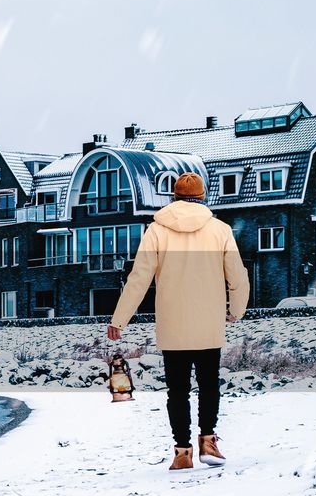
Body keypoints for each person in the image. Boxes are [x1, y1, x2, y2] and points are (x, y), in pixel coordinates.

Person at [106, 171, 250, 471]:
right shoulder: (219, 230)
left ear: (173, 196)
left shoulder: (157, 231)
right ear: (202, 196)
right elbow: (238, 277)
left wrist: (119, 320)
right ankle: (208, 441)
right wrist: (236, 310)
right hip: (209, 323)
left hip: (172, 326)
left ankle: (182, 452)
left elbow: (139, 279)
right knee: (209, 385)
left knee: (177, 390)